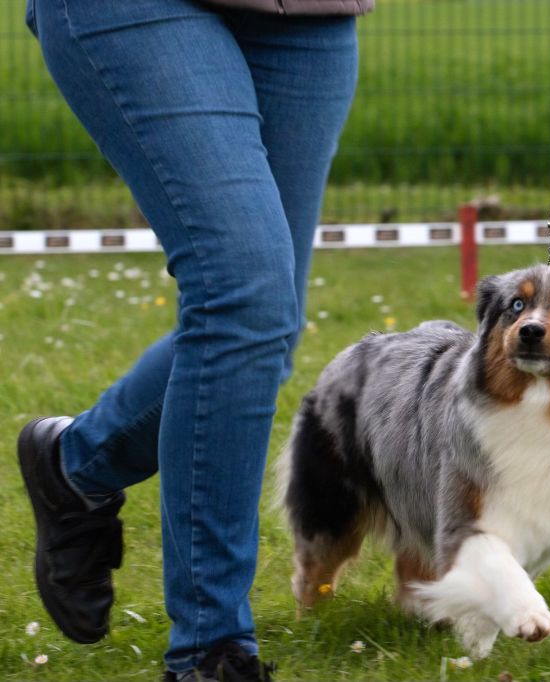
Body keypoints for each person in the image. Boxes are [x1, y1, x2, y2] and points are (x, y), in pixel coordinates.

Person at [17, 0, 371, 679]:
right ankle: (212, 651)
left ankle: (75, 466)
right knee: (245, 289)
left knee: (266, 322)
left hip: (307, 16)